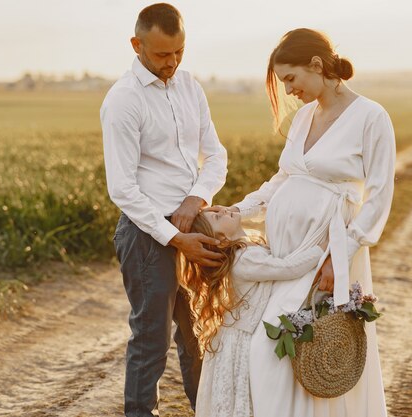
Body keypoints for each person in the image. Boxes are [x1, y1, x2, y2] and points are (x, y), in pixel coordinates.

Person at [209, 28, 395, 416]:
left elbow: (378, 196)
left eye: (291, 79)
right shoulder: (304, 118)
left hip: (327, 251)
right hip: (285, 252)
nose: (289, 90)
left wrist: (339, 258)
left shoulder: (371, 116)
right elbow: (282, 180)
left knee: (304, 346)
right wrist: (237, 213)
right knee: (283, 349)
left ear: (316, 65)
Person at [100, 3, 228, 417]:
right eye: (161, 55)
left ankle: (204, 411)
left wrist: (197, 197)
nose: (171, 63)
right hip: (146, 237)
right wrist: (176, 238)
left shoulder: (191, 86)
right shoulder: (123, 100)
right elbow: (122, 188)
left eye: (179, 52)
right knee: (150, 340)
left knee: (198, 336)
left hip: (194, 225)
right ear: (137, 45)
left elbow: (216, 156)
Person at [178, 210, 326, 417]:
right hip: (240, 341)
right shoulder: (245, 259)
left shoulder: (246, 250)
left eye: (218, 211)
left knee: (235, 396)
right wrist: (321, 250)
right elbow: (288, 268)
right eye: (218, 218)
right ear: (222, 240)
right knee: (240, 393)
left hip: (235, 336)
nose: (223, 211)